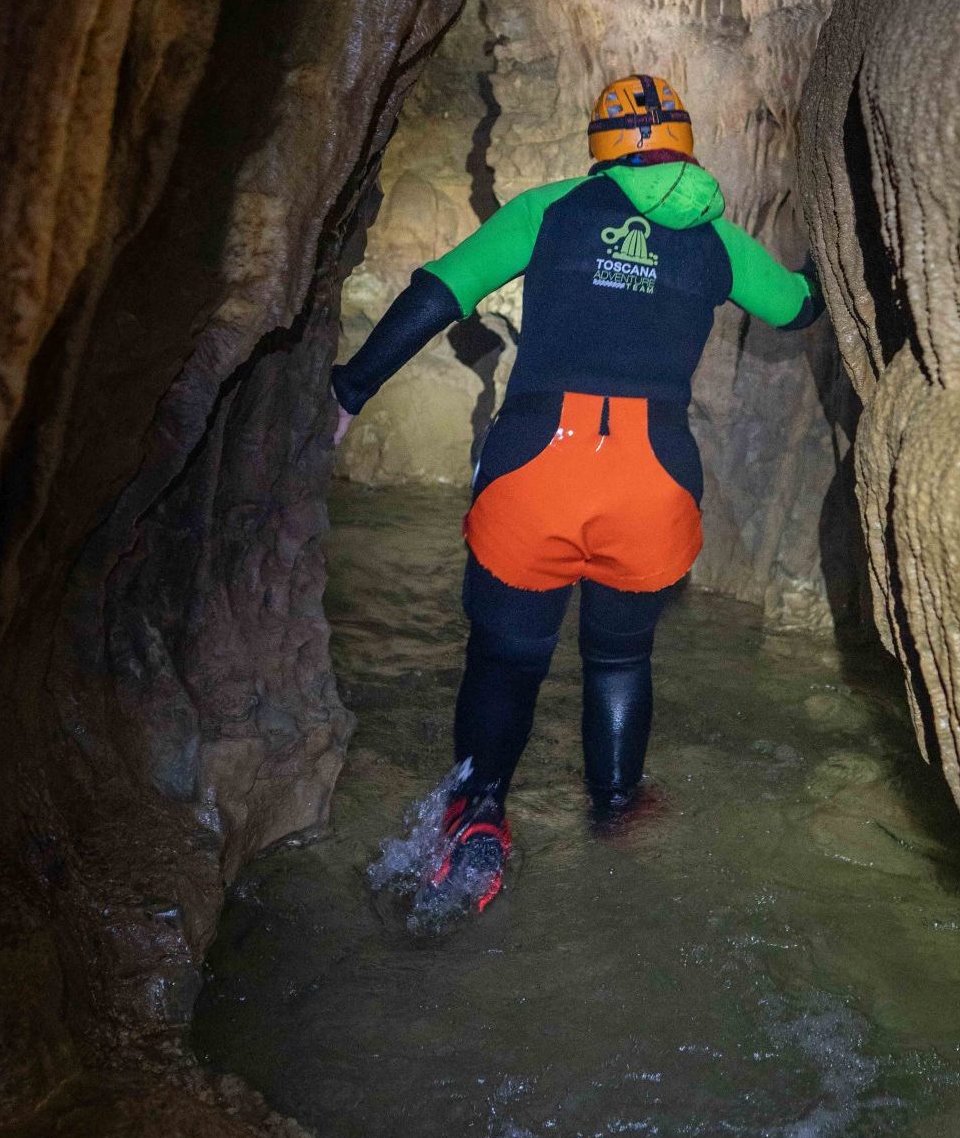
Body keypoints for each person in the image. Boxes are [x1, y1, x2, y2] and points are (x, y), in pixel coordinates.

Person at [329, 74, 822, 910]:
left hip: (539, 462)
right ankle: (620, 811)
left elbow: (437, 292)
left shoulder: (551, 208)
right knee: (622, 655)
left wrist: (350, 390)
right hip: (655, 476)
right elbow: (799, 309)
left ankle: (479, 813)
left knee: (507, 656)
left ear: (599, 146)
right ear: (684, 144)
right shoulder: (716, 237)